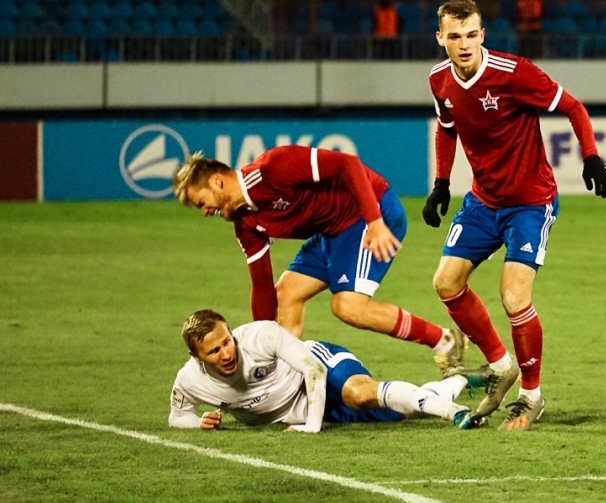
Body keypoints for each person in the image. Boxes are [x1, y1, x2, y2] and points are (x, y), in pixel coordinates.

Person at [424, 0, 606, 431]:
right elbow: (448, 129)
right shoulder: (439, 80)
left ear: (482, 34)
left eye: (471, 34)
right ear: (441, 39)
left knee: (514, 296)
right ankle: (499, 365)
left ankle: (531, 395)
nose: (464, 44)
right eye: (454, 36)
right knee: (446, 282)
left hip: (530, 202)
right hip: (482, 201)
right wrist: (440, 184)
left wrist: (592, 158)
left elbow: (573, 107)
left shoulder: (514, 73)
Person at [171, 148, 466, 373]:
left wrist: (375, 222)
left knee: (347, 306)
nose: (205, 212)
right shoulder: (245, 224)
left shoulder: (273, 168)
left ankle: (445, 341)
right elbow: (262, 289)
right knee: (286, 293)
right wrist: (259, 346)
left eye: (201, 202)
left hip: (368, 211)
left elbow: (347, 164)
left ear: (217, 181)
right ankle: (286, 383)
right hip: (333, 231)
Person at [169, 310, 487, 432]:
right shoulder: (190, 380)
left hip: (319, 369)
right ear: (196, 357)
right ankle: (460, 380)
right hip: (310, 408)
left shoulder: (259, 336)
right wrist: (198, 422)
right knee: (405, 413)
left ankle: (454, 412)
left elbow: (314, 371)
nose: (227, 353)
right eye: (214, 351)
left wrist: (311, 427)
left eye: (227, 341)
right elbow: (177, 417)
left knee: (360, 394)